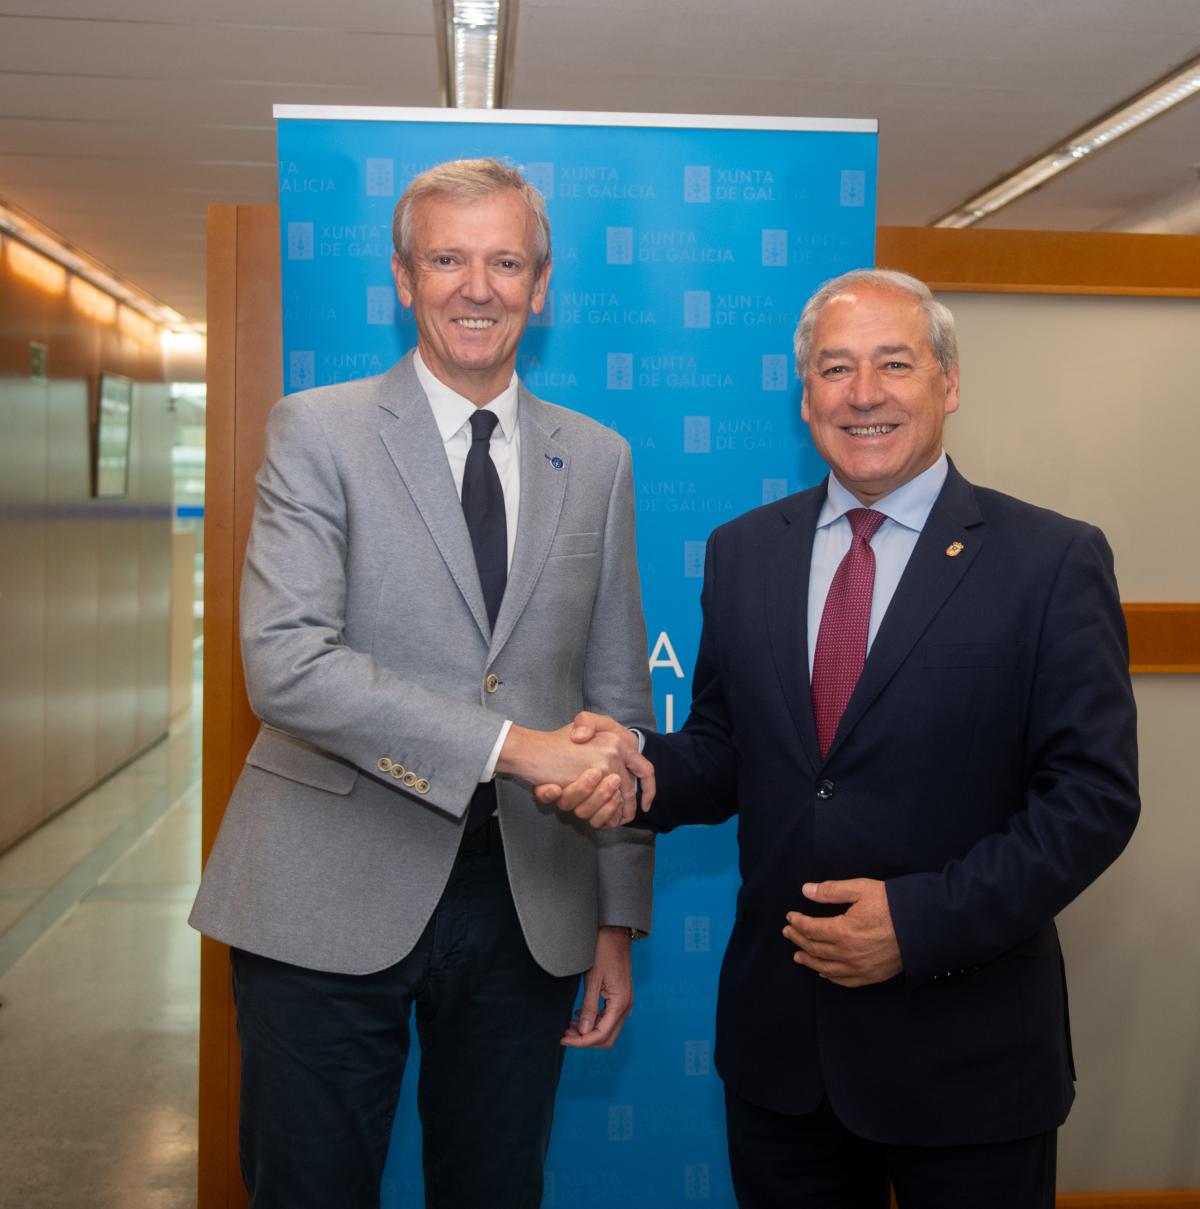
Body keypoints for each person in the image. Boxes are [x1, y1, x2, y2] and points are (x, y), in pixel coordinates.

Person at [542, 269, 1140, 1208]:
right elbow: (728, 749)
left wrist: (919, 923)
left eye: (894, 364)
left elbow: (1092, 800)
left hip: (969, 1056)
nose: (864, 394)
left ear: (949, 382)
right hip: (785, 1058)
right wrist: (639, 765)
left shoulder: (1051, 559)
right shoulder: (744, 551)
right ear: (806, 395)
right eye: (835, 368)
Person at [190, 157, 655, 1209]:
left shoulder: (600, 458)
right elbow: (288, 664)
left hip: (528, 901)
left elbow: (617, 701)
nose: (476, 288)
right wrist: (515, 748)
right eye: (447, 259)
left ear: (542, 285)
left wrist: (615, 914)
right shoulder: (319, 429)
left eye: (505, 263)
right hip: (324, 884)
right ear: (404, 278)